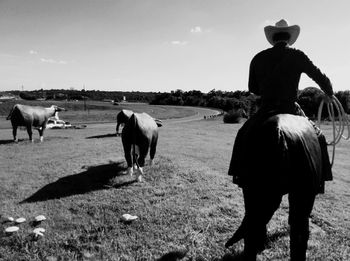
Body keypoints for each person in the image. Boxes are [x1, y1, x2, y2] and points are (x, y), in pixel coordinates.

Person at [226, 19, 334, 260]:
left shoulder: (258, 57)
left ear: (273, 37)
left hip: (266, 110)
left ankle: (242, 175)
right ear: (289, 37)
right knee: (319, 135)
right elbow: (320, 77)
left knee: (244, 134)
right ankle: (319, 180)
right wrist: (329, 91)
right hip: (290, 108)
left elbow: (253, 87)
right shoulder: (297, 55)